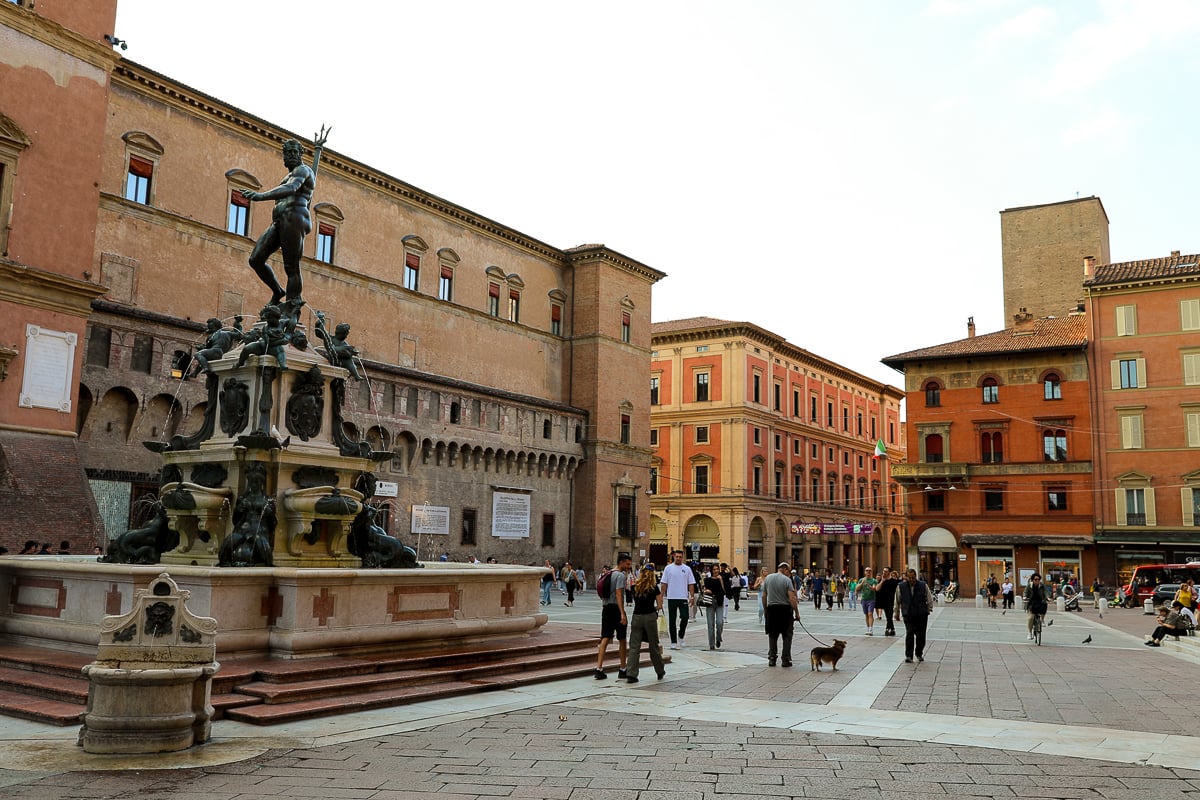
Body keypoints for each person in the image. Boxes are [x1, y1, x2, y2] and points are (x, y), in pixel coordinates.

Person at [242, 133, 328, 306]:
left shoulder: (303, 170)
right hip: (280, 221)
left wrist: (261, 196)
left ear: (300, 154)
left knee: (291, 266)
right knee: (256, 259)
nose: (291, 155)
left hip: (295, 218)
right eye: (288, 152)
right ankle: (278, 291)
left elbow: (292, 188)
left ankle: (292, 305)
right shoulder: (289, 175)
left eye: (295, 152)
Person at [623, 564, 666, 682]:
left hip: (637, 617)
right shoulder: (654, 588)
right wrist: (655, 608)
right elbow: (660, 605)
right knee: (653, 645)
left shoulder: (635, 587)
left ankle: (631, 674)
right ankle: (660, 670)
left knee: (634, 646)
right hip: (650, 617)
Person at [595, 552, 631, 679]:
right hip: (616, 608)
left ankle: (599, 668)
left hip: (606, 608)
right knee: (622, 639)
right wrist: (622, 613)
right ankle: (622, 668)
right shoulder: (620, 576)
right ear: (621, 562)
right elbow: (619, 594)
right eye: (627, 564)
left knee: (605, 637)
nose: (628, 567)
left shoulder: (608, 573)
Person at [762, 561, 802, 667]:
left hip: (771, 609)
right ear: (785, 569)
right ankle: (785, 659)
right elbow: (792, 598)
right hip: (785, 610)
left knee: (772, 635)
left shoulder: (768, 578)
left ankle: (772, 658)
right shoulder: (787, 580)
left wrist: (766, 609)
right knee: (787, 635)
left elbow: (764, 596)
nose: (789, 574)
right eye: (788, 571)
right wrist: (797, 612)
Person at [895, 568, 933, 663]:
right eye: (909, 578)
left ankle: (919, 653)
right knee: (910, 633)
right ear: (906, 577)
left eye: (913, 578)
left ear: (915, 577)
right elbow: (897, 600)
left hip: (921, 614)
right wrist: (896, 612)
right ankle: (909, 655)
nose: (911, 580)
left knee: (921, 635)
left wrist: (929, 609)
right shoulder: (901, 586)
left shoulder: (923, 585)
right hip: (908, 614)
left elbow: (929, 598)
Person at [660, 550, 695, 649]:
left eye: (680, 557)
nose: (678, 558)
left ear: (682, 557)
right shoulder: (668, 568)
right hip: (672, 597)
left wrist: (691, 596)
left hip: (683, 597)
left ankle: (681, 635)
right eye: (677, 556)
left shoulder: (687, 569)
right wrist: (661, 596)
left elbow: (691, 583)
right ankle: (673, 641)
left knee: (685, 617)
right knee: (672, 620)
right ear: (674, 557)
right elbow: (664, 583)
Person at [702, 564, 726, 650]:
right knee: (710, 623)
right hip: (710, 601)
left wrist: (721, 581)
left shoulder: (722, 578)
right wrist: (706, 591)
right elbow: (705, 590)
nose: (716, 571)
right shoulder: (707, 580)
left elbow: (725, 592)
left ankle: (718, 638)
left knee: (719, 622)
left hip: (719, 602)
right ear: (711, 571)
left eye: (717, 569)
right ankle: (711, 644)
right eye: (714, 569)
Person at [1023, 573, 1049, 640]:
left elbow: (1046, 592)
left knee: (1044, 606)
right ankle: (1029, 632)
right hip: (1031, 602)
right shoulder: (1029, 585)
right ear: (1032, 580)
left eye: (1038, 579)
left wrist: (1048, 597)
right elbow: (1025, 592)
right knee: (1031, 618)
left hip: (1040, 601)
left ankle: (1042, 620)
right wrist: (1025, 597)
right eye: (1035, 579)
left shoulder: (1042, 585)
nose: (1037, 581)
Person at [876, 569, 900, 636]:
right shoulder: (882, 580)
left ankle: (888, 629)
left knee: (889, 616)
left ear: (889, 572)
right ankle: (891, 629)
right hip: (884, 601)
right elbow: (877, 589)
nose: (884, 572)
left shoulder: (894, 581)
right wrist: (882, 581)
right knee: (888, 616)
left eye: (886, 571)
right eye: (883, 571)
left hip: (892, 601)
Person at [858, 567, 878, 635]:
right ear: (865, 572)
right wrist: (862, 583)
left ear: (871, 572)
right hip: (864, 599)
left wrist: (869, 585)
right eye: (867, 571)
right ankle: (868, 628)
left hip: (871, 599)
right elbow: (857, 588)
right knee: (866, 615)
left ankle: (871, 629)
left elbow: (874, 588)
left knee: (870, 613)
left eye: (869, 571)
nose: (868, 572)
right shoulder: (861, 580)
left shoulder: (874, 580)